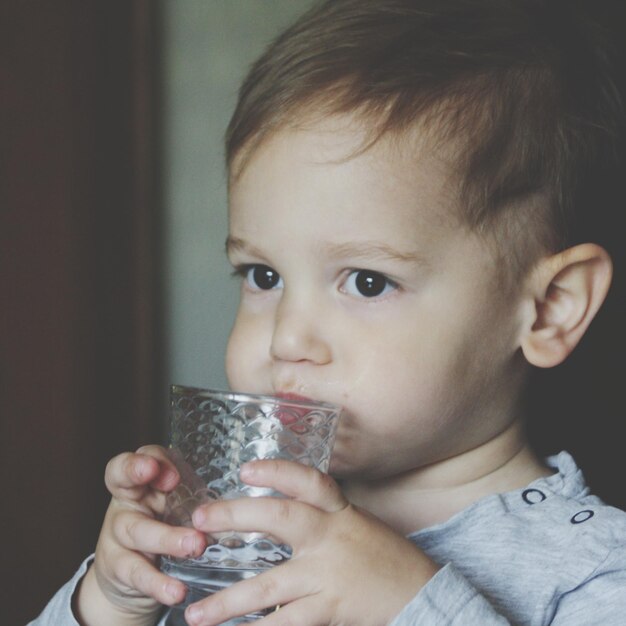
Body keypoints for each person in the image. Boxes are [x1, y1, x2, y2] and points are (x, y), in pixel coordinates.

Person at [32, 0, 626, 624]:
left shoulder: (594, 569)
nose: (287, 338)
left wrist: (414, 607)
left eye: (367, 282)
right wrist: (110, 600)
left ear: (549, 309)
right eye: (263, 276)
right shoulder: (233, 535)